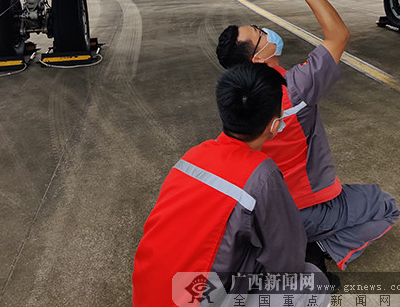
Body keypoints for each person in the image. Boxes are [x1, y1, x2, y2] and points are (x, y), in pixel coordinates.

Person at [216, 0, 400, 277]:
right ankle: (320, 249)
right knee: (386, 207)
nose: (266, 31)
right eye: (260, 33)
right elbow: (338, 34)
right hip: (306, 208)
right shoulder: (295, 88)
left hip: (263, 213)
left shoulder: (234, 99)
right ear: (258, 58)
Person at [132, 63, 329, 306]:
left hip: (151, 293)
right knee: (312, 281)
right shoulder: (262, 174)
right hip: (193, 298)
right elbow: (287, 261)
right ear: (275, 125)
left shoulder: (192, 157)